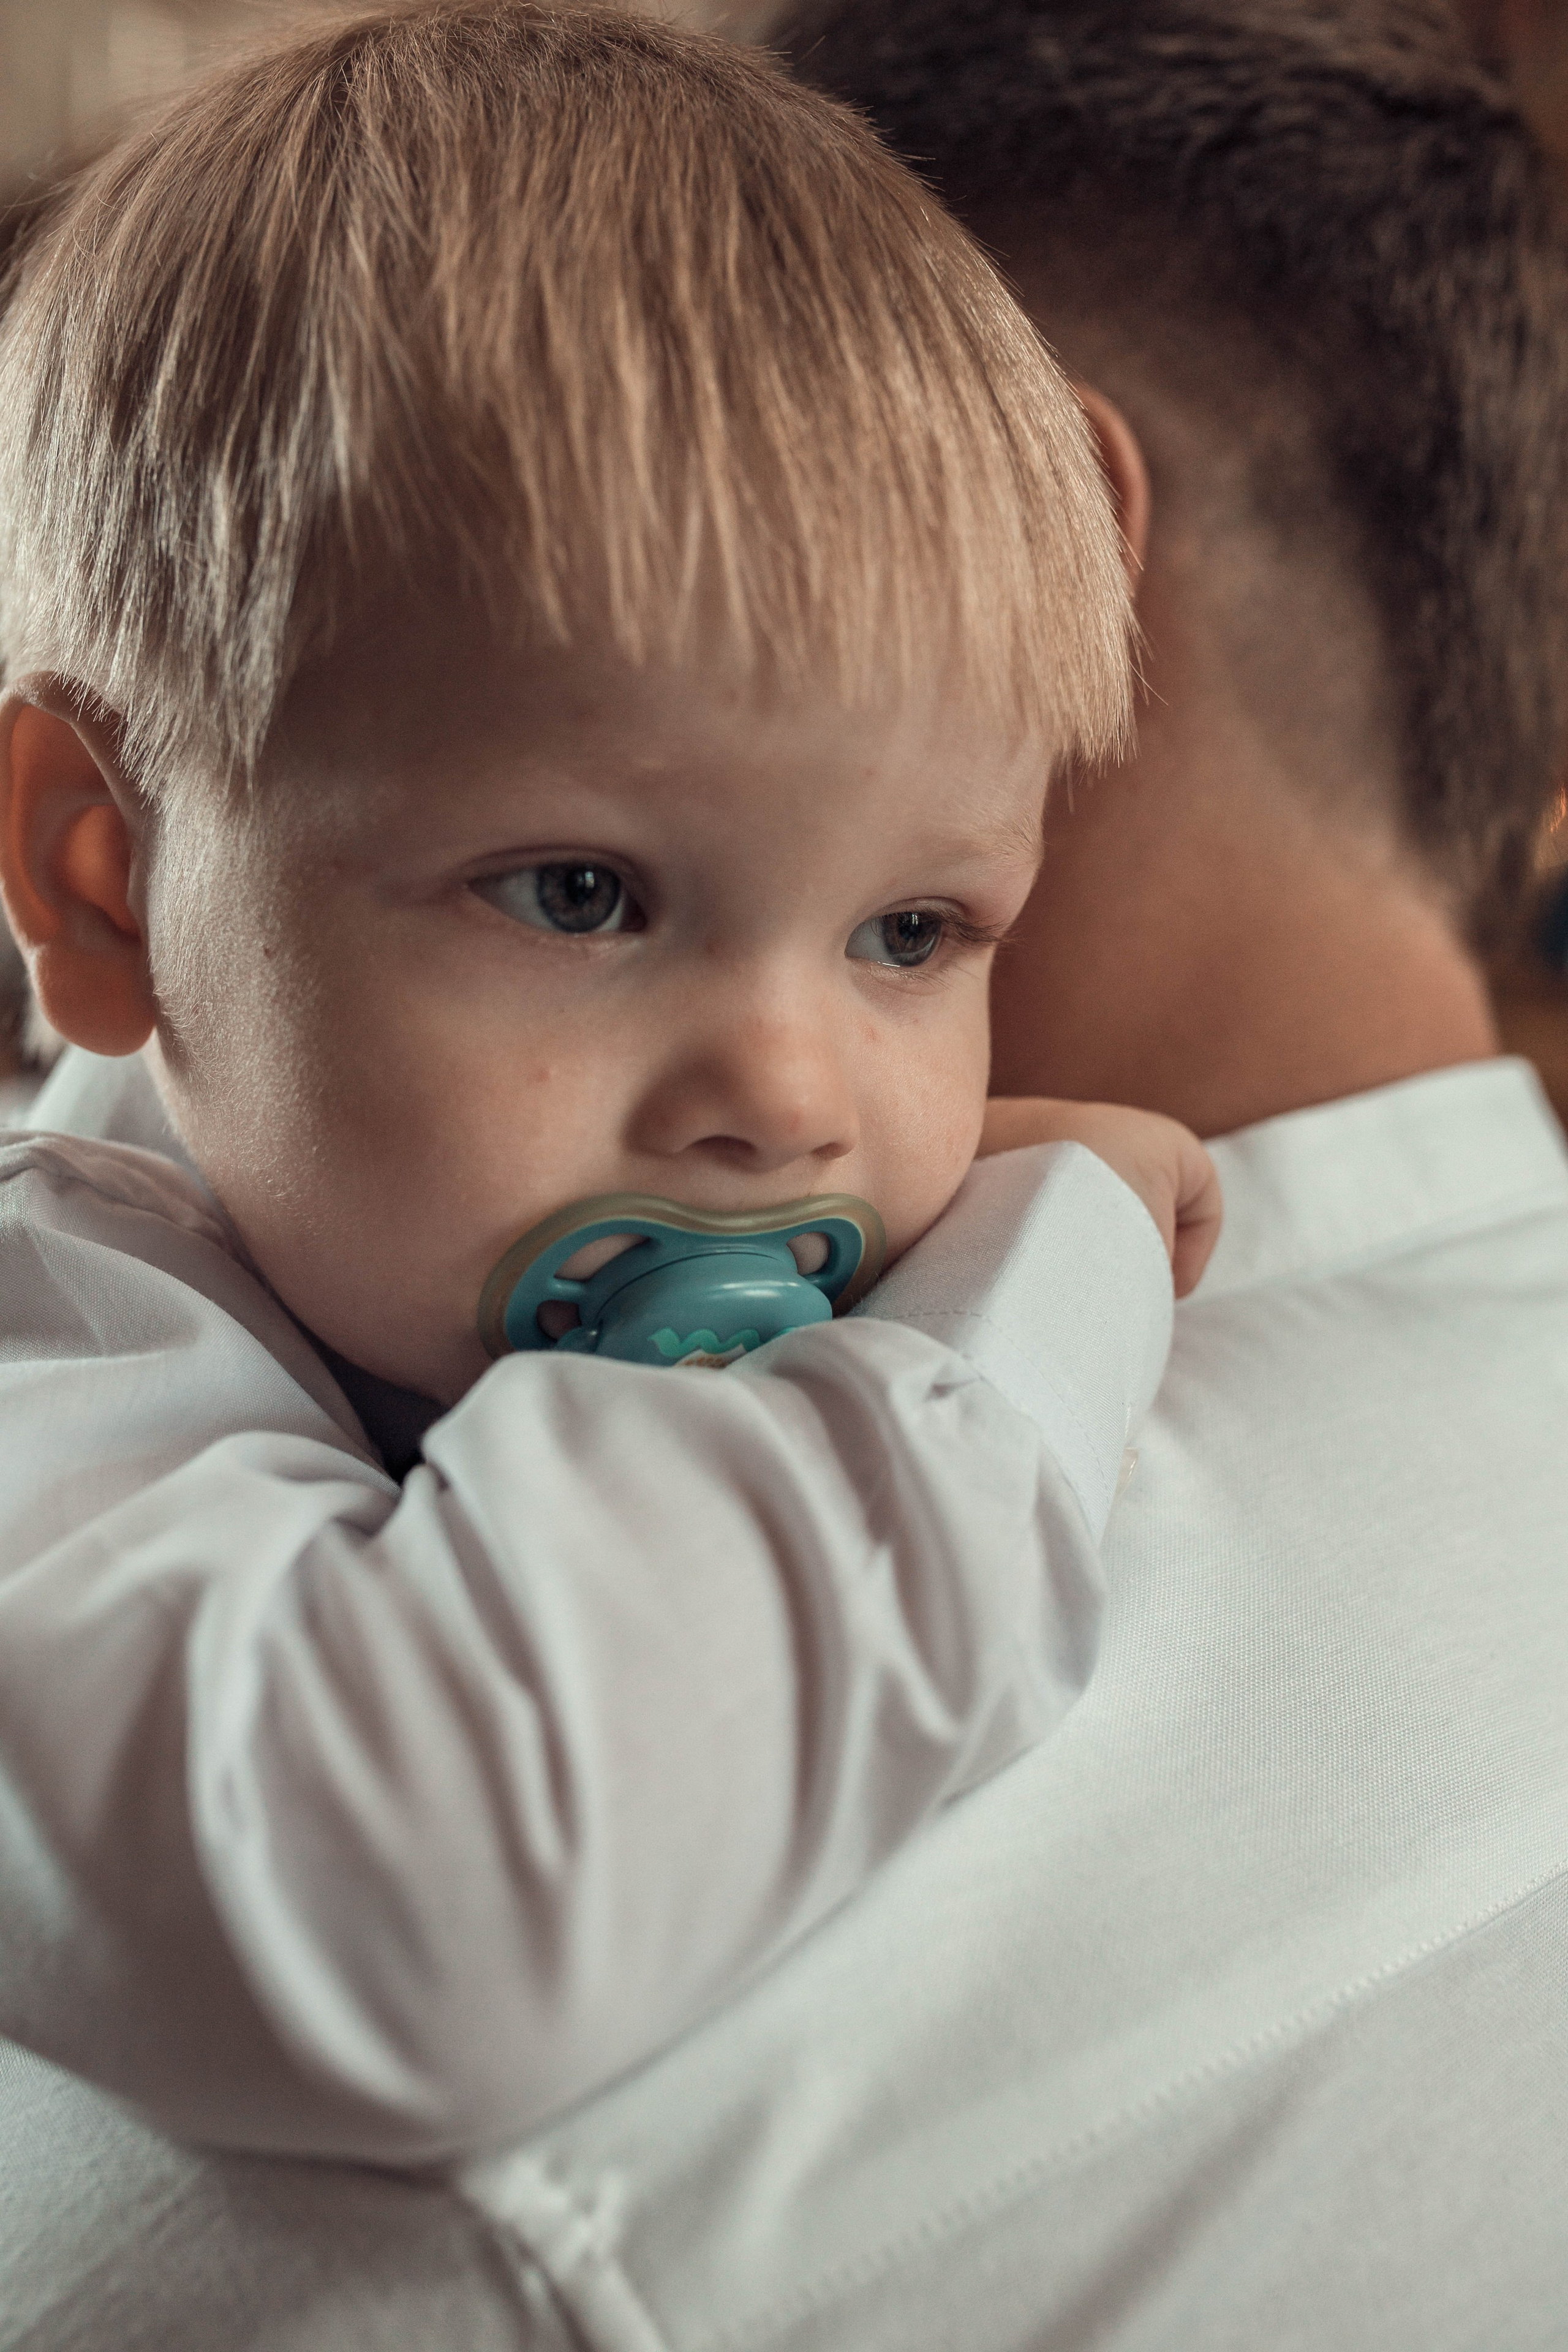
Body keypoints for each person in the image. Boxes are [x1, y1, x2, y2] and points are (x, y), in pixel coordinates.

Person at [6, 1, 1563, 2346]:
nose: (789, 1096)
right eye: (579, 893)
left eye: (917, 935)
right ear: (103, 883)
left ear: (1078, 600)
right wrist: (1038, 1271)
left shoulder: (513, 2188)